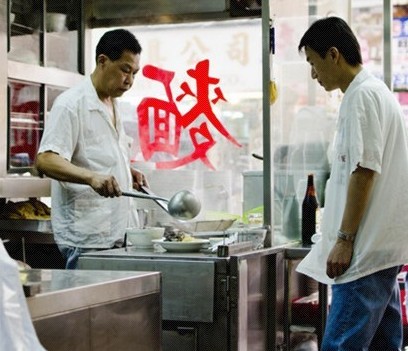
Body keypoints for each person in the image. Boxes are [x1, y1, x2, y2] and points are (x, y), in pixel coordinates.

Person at [296, 17, 408, 350]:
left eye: (314, 64)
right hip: (379, 251)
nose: (314, 75)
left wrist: (344, 240)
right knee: (383, 344)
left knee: (340, 344)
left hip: (363, 254)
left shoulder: (362, 96)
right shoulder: (373, 93)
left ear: (333, 55)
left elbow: (364, 170)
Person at [35, 29, 148, 269]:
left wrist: (127, 171)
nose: (129, 80)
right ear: (102, 61)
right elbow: (46, 159)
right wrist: (92, 178)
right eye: (125, 70)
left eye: (134, 73)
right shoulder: (71, 104)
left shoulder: (113, 105)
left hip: (118, 233)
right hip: (87, 237)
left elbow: (97, 155)